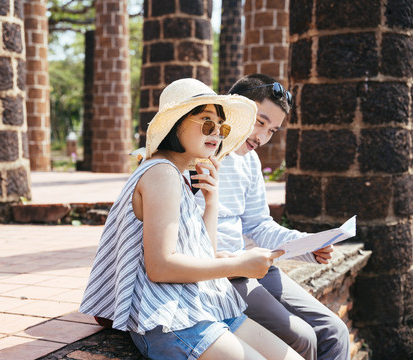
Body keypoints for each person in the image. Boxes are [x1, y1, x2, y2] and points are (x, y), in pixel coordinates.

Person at [80, 78, 303, 360]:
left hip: (197, 305)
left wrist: (211, 201)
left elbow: (204, 255)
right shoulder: (161, 173)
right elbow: (159, 267)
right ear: (176, 123)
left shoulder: (177, 173)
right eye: (206, 122)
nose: (217, 133)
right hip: (170, 319)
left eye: (221, 126)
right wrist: (239, 265)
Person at [193, 74, 350, 360]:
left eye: (273, 130)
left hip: (255, 264)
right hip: (222, 272)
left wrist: (308, 245)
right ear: (236, 110)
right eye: (260, 122)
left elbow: (258, 224)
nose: (262, 137)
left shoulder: (250, 161)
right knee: (303, 338)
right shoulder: (196, 154)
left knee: (334, 331)